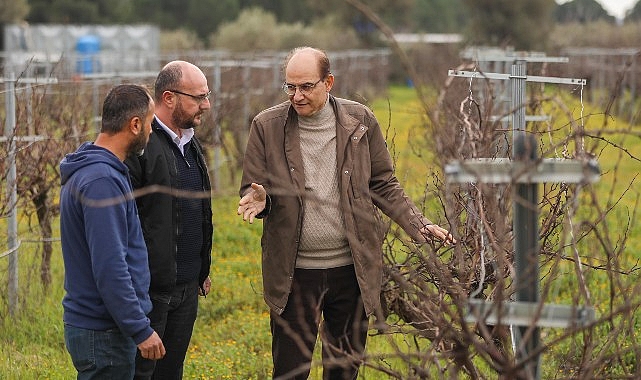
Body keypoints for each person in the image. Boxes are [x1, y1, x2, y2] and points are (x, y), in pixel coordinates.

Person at [237, 47, 456, 380]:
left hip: (351, 271)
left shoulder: (360, 120)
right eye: (290, 87)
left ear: (329, 82)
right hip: (295, 274)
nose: (297, 96)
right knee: (290, 370)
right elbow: (253, 190)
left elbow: (383, 183)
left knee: (344, 369)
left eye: (306, 86)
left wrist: (419, 223)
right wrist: (263, 201)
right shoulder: (266, 126)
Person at [60, 84, 165, 379]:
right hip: (103, 330)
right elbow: (110, 266)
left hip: (102, 327)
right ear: (134, 125)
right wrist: (140, 329)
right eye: (149, 123)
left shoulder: (97, 171)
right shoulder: (101, 180)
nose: (151, 131)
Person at [125, 60, 213, 380]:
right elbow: (129, 221)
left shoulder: (191, 143)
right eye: (198, 97)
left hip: (187, 289)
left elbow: (197, 212)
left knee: (171, 372)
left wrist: (202, 267)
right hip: (151, 292)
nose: (207, 104)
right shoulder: (142, 146)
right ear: (169, 97)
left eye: (207, 95)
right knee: (141, 373)